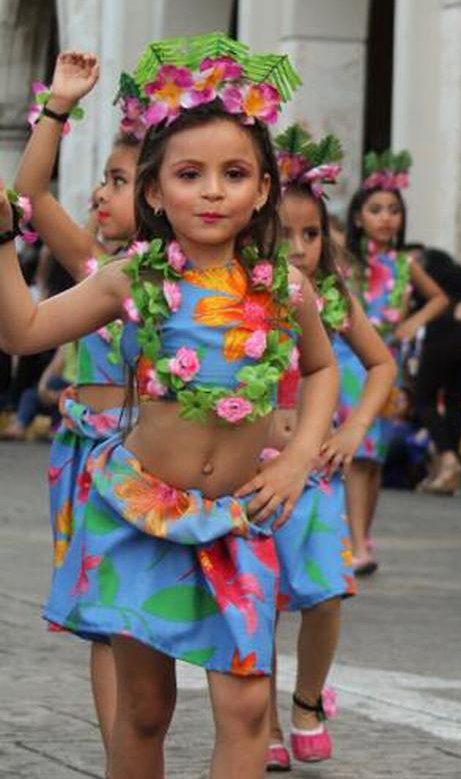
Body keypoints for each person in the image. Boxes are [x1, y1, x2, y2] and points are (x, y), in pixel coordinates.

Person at [0, 35, 339, 776]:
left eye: (234, 173)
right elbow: (21, 330)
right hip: (142, 515)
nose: (213, 191)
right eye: (191, 174)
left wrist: (300, 459)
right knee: (146, 708)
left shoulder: (283, 288)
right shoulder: (132, 276)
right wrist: (1, 239)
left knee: (249, 707)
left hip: (241, 516)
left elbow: (321, 370)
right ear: (156, 193)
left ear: (261, 190)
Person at [11, 49, 143, 757]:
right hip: (88, 454)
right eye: (102, 179)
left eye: (118, 181)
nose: (101, 193)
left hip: (152, 455)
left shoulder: (192, 281)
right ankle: (121, 752)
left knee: (145, 620)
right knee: (103, 618)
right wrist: (58, 106)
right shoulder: (99, 268)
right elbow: (28, 196)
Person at [264, 124, 397, 769]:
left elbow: (382, 366)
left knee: (322, 591)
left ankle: (308, 699)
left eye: (311, 235)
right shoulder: (233, 297)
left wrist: (350, 431)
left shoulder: (331, 298)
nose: (298, 249)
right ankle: (259, 721)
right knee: (256, 602)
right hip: (247, 473)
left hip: (312, 469)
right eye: (283, 234)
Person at [339, 152, 449, 574]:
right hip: (348, 361)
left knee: (376, 455)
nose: (386, 219)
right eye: (376, 210)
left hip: (386, 362)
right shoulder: (347, 260)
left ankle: (362, 534)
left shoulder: (406, 264)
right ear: (358, 217)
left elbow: (439, 298)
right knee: (358, 454)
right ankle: (354, 542)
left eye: (393, 211)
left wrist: (412, 321)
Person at [413, 246, 461, 495]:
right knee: (454, 400)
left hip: (445, 331)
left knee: (423, 398)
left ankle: (448, 459)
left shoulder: (427, 277)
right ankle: (450, 470)